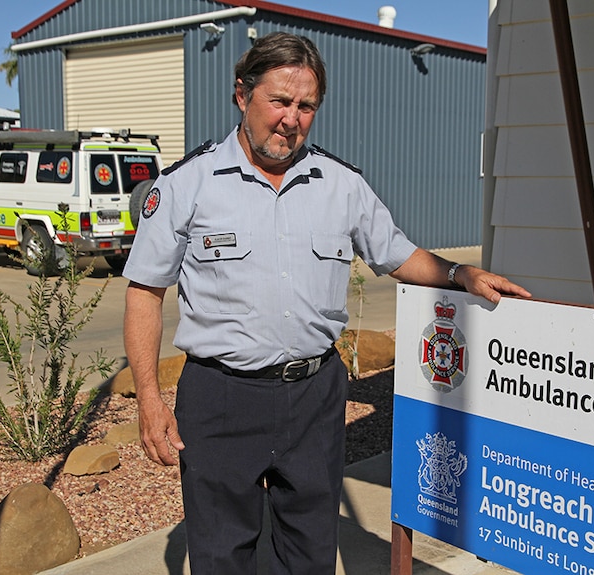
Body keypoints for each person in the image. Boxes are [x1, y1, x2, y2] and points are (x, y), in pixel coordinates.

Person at [123, 31, 531, 574]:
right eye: (279, 101)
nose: (291, 118)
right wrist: (149, 401)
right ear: (242, 96)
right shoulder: (184, 185)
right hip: (221, 398)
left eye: (306, 105)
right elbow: (144, 293)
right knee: (222, 554)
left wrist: (460, 273)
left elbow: (397, 254)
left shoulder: (342, 185)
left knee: (311, 551)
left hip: (314, 397)